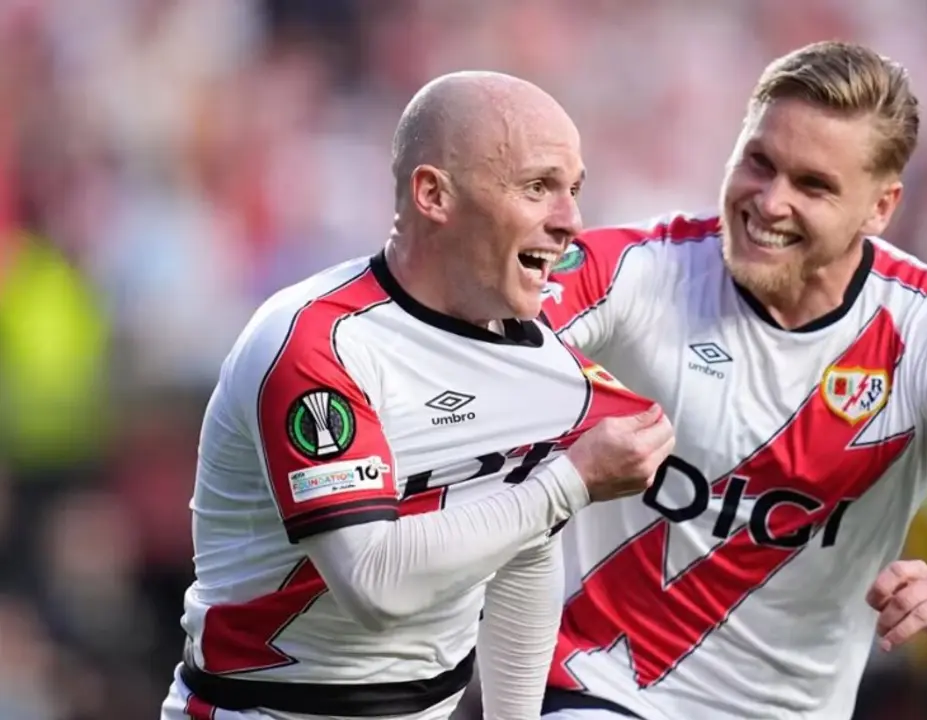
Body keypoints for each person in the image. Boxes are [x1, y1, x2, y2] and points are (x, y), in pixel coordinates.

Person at [534, 41, 927, 720]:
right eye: (758, 163)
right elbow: (469, 339)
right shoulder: (637, 273)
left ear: (880, 208)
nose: (769, 202)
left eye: (812, 185)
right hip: (603, 689)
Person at [158, 71, 675, 720]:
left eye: (574, 190)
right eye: (538, 187)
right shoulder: (319, 346)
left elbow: (526, 552)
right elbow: (374, 586)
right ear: (433, 194)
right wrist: (569, 481)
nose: (571, 220)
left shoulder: (545, 364)